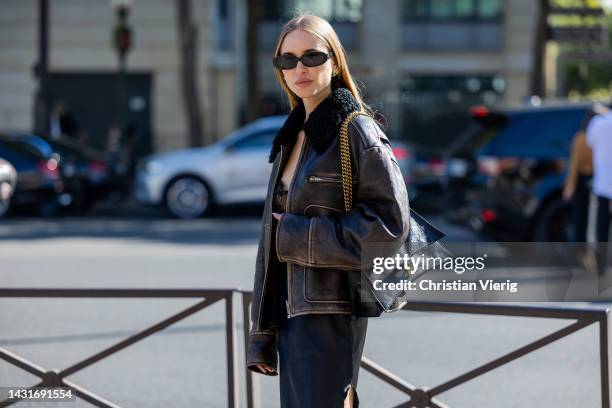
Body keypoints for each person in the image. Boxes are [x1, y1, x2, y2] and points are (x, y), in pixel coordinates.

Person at [245, 14, 410, 408]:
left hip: (330, 310)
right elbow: (269, 242)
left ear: (334, 61)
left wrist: (297, 235)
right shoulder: (292, 133)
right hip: (290, 309)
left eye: (311, 57)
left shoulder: (355, 130)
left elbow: (389, 226)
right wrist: (261, 332)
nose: (299, 69)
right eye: (287, 61)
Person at [585, 103, 612, 275]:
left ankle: (601, 264)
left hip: (602, 183)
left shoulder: (598, 123)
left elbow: (589, 142)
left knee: (601, 225)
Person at [563, 109, 596, 242]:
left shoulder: (581, 137)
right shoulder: (586, 138)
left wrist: (569, 186)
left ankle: (579, 248)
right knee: (587, 217)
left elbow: (574, 164)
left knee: (580, 217)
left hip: (582, 179)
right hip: (590, 179)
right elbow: (575, 164)